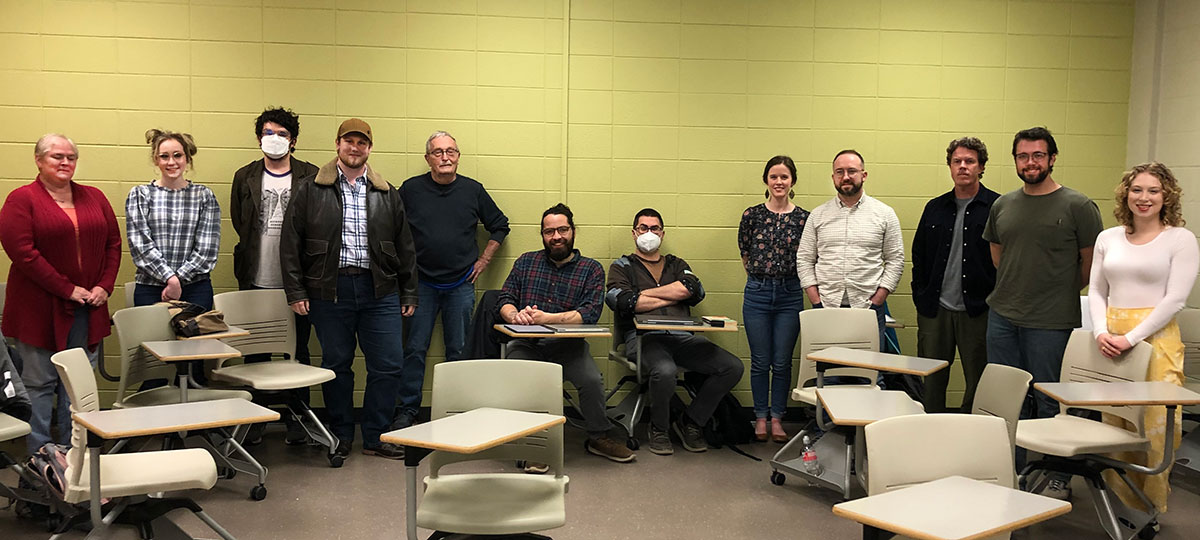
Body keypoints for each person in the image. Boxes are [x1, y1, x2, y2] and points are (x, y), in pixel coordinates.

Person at [280, 118, 417, 460]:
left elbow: (406, 246)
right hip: (330, 290)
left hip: (380, 290)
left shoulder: (387, 193)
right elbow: (290, 243)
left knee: (388, 365)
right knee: (337, 364)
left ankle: (376, 435)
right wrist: (296, 292)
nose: (355, 148)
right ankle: (339, 433)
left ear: (369, 148)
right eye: (348, 141)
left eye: (362, 143)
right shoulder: (311, 189)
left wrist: (409, 292)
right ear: (337, 144)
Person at [984, 127, 1103, 499]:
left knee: (1049, 400)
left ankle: (1055, 475)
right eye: (1023, 156)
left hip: (1051, 322)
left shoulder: (1078, 206)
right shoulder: (1003, 204)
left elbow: (1090, 264)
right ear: (1015, 160)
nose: (1030, 162)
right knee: (1006, 397)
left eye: (1038, 155)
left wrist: (1055, 291)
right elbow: (999, 253)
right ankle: (1011, 469)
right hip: (1003, 316)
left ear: (1052, 158)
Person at [1089, 162, 1198, 515]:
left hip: (1156, 341)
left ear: (1167, 195)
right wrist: (1102, 331)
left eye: (1153, 190)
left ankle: (1150, 508)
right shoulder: (1108, 237)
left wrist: (1132, 337)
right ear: (1126, 193)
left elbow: (1176, 298)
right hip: (1111, 341)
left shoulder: (1180, 239)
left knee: (1156, 428)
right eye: (1137, 190)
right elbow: (1095, 290)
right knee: (1116, 426)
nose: (1144, 197)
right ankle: (1120, 505)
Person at [0, 134, 121, 452]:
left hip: (87, 307)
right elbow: (23, 253)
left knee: (77, 385)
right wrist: (67, 289)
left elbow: (113, 244)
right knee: (40, 385)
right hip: (38, 310)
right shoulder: (21, 199)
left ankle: (75, 454)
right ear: (39, 160)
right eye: (57, 156)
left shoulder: (94, 196)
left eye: (71, 156)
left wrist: (104, 286)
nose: (65, 162)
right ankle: (40, 458)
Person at [496, 204, 634, 467]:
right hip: (526, 344)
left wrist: (546, 318)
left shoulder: (591, 269)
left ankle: (597, 437)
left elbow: (590, 313)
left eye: (562, 229)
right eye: (549, 231)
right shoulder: (526, 262)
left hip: (568, 346)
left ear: (572, 231)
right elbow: (505, 299)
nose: (556, 236)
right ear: (542, 235)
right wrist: (515, 316)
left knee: (592, 380)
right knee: (530, 381)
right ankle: (535, 446)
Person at [606, 208, 744, 456]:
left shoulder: (677, 264)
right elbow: (625, 302)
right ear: (634, 233)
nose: (649, 233)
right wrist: (671, 295)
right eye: (643, 228)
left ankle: (691, 421)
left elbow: (694, 289)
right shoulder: (622, 266)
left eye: (655, 228)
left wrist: (644, 296)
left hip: (683, 339)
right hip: (643, 340)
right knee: (665, 370)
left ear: (662, 232)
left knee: (732, 366)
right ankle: (659, 429)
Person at [396, 131, 509, 429]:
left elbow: (500, 225)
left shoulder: (473, 190)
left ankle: (457, 410)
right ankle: (407, 410)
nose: (445, 157)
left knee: (458, 349)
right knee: (414, 350)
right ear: (428, 158)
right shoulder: (410, 190)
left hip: (460, 284)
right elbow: (390, 229)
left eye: (451, 151)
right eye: (438, 152)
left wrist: (484, 259)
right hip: (420, 285)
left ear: (458, 156)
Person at [230, 107, 320, 445]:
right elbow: (240, 221)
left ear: (293, 140)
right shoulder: (245, 176)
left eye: (282, 134)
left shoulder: (311, 175)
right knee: (255, 353)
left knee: (299, 353)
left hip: (298, 281)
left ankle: (300, 423)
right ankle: (256, 422)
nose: (275, 139)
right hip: (255, 277)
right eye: (269, 133)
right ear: (259, 138)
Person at [911, 137, 999, 413]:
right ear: (949, 166)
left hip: (978, 309)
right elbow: (919, 255)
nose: (963, 166)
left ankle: (970, 431)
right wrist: (921, 295)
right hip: (935, 309)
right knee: (931, 378)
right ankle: (931, 428)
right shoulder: (935, 208)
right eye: (957, 161)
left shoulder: (997, 207)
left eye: (969, 161)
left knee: (980, 378)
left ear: (981, 167)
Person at [796, 149, 904, 350]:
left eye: (852, 171)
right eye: (839, 172)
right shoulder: (818, 215)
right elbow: (804, 259)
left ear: (864, 175)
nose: (845, 177)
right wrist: (815, 299)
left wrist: (879, 298)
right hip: (826, 308)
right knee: (828, 373)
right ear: (833, 177)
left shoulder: (884, 214)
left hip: (868, 308)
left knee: (869, 373)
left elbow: (896, 259)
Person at [738, 155, 809, 442]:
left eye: (784, 177)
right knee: (760, 361)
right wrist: (761, 278)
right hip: (757, 293)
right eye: (773, 177)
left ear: (792, 181)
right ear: (766, 180)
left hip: (790, 294)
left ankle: (777, 417)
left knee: (781, 362)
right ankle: (760, 417)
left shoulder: (804, 218)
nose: (779, 182)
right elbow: (745, 252)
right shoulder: (752, 215)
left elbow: (808, 257)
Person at [126, 129, 220, 310]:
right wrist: (169, 278)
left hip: (195, 288)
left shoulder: (204, 196)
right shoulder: (140, 195)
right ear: (156, 159)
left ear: (187, 159)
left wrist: (178, 280)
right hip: (150, 287)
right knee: (151, 338)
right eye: (164, 156)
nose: (171, 162)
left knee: (197, 339)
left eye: (177, 155)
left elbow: (207, 250)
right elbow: (140, 247)